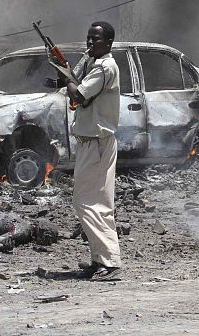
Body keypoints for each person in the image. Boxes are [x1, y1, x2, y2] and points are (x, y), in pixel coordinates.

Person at [55, 21, 122, 281]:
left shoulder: (105, 67)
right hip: (93, 142)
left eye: (96, 39)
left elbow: (80, 96)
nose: (90, 43)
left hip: (96, 143)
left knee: (86, 202)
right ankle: (101, 260)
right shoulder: (95, 64)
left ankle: (109, 261)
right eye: (89, 39)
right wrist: (67, 73)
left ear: (108, 43)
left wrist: (65, 74)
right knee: (96, 202)